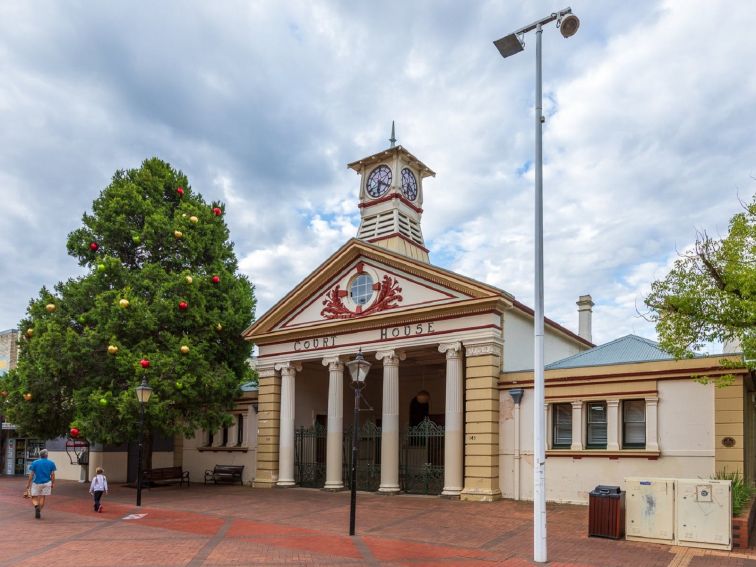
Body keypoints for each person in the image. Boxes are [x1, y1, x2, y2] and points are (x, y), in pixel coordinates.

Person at [26, 448, 57, 519]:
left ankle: (36, 506)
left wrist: (28, 483)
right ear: (47, 455)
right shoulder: (51, 463)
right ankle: (39, 510)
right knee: (42, 497)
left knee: (34, 497)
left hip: (36, 482)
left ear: (40, 455)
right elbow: (52, 474)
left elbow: (31, 474)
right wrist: (53, 483)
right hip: (47, 482)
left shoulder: (35, 462)